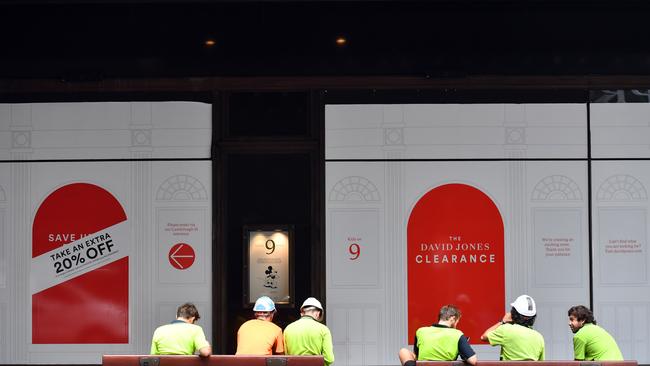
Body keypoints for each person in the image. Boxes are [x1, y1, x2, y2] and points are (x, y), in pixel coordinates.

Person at [398, 305, 477, 366]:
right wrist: (462, 352)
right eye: (457, 322)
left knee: (403, 351)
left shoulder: (421, 331)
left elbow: (417, 357)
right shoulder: (457, 334)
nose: (456, 325)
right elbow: (473, 361)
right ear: (452, 318)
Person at [480, 294, 544, 360]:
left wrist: (502, 321)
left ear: (514, 313)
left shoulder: (505, 330)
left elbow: (483, 337)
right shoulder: (539, 337)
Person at [284, 297, 335, 366]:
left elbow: (285, 357)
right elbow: (329, 359)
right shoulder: (324, 329)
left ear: (302, 313)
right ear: (318, 313)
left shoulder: (288, 329)